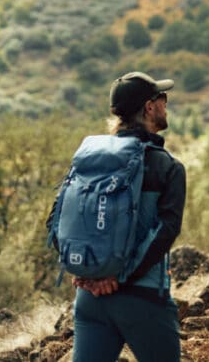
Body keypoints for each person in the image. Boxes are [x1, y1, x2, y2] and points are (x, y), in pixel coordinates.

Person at [70, 71, 187, 362]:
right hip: (142, 298)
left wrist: (88, 273)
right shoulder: (168, 167)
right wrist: (119, 277)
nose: (165, 104)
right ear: (149, 107)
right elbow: (165, 231)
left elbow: (62, 218)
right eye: (162, 98)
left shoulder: (89, 159)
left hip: (90, 299)